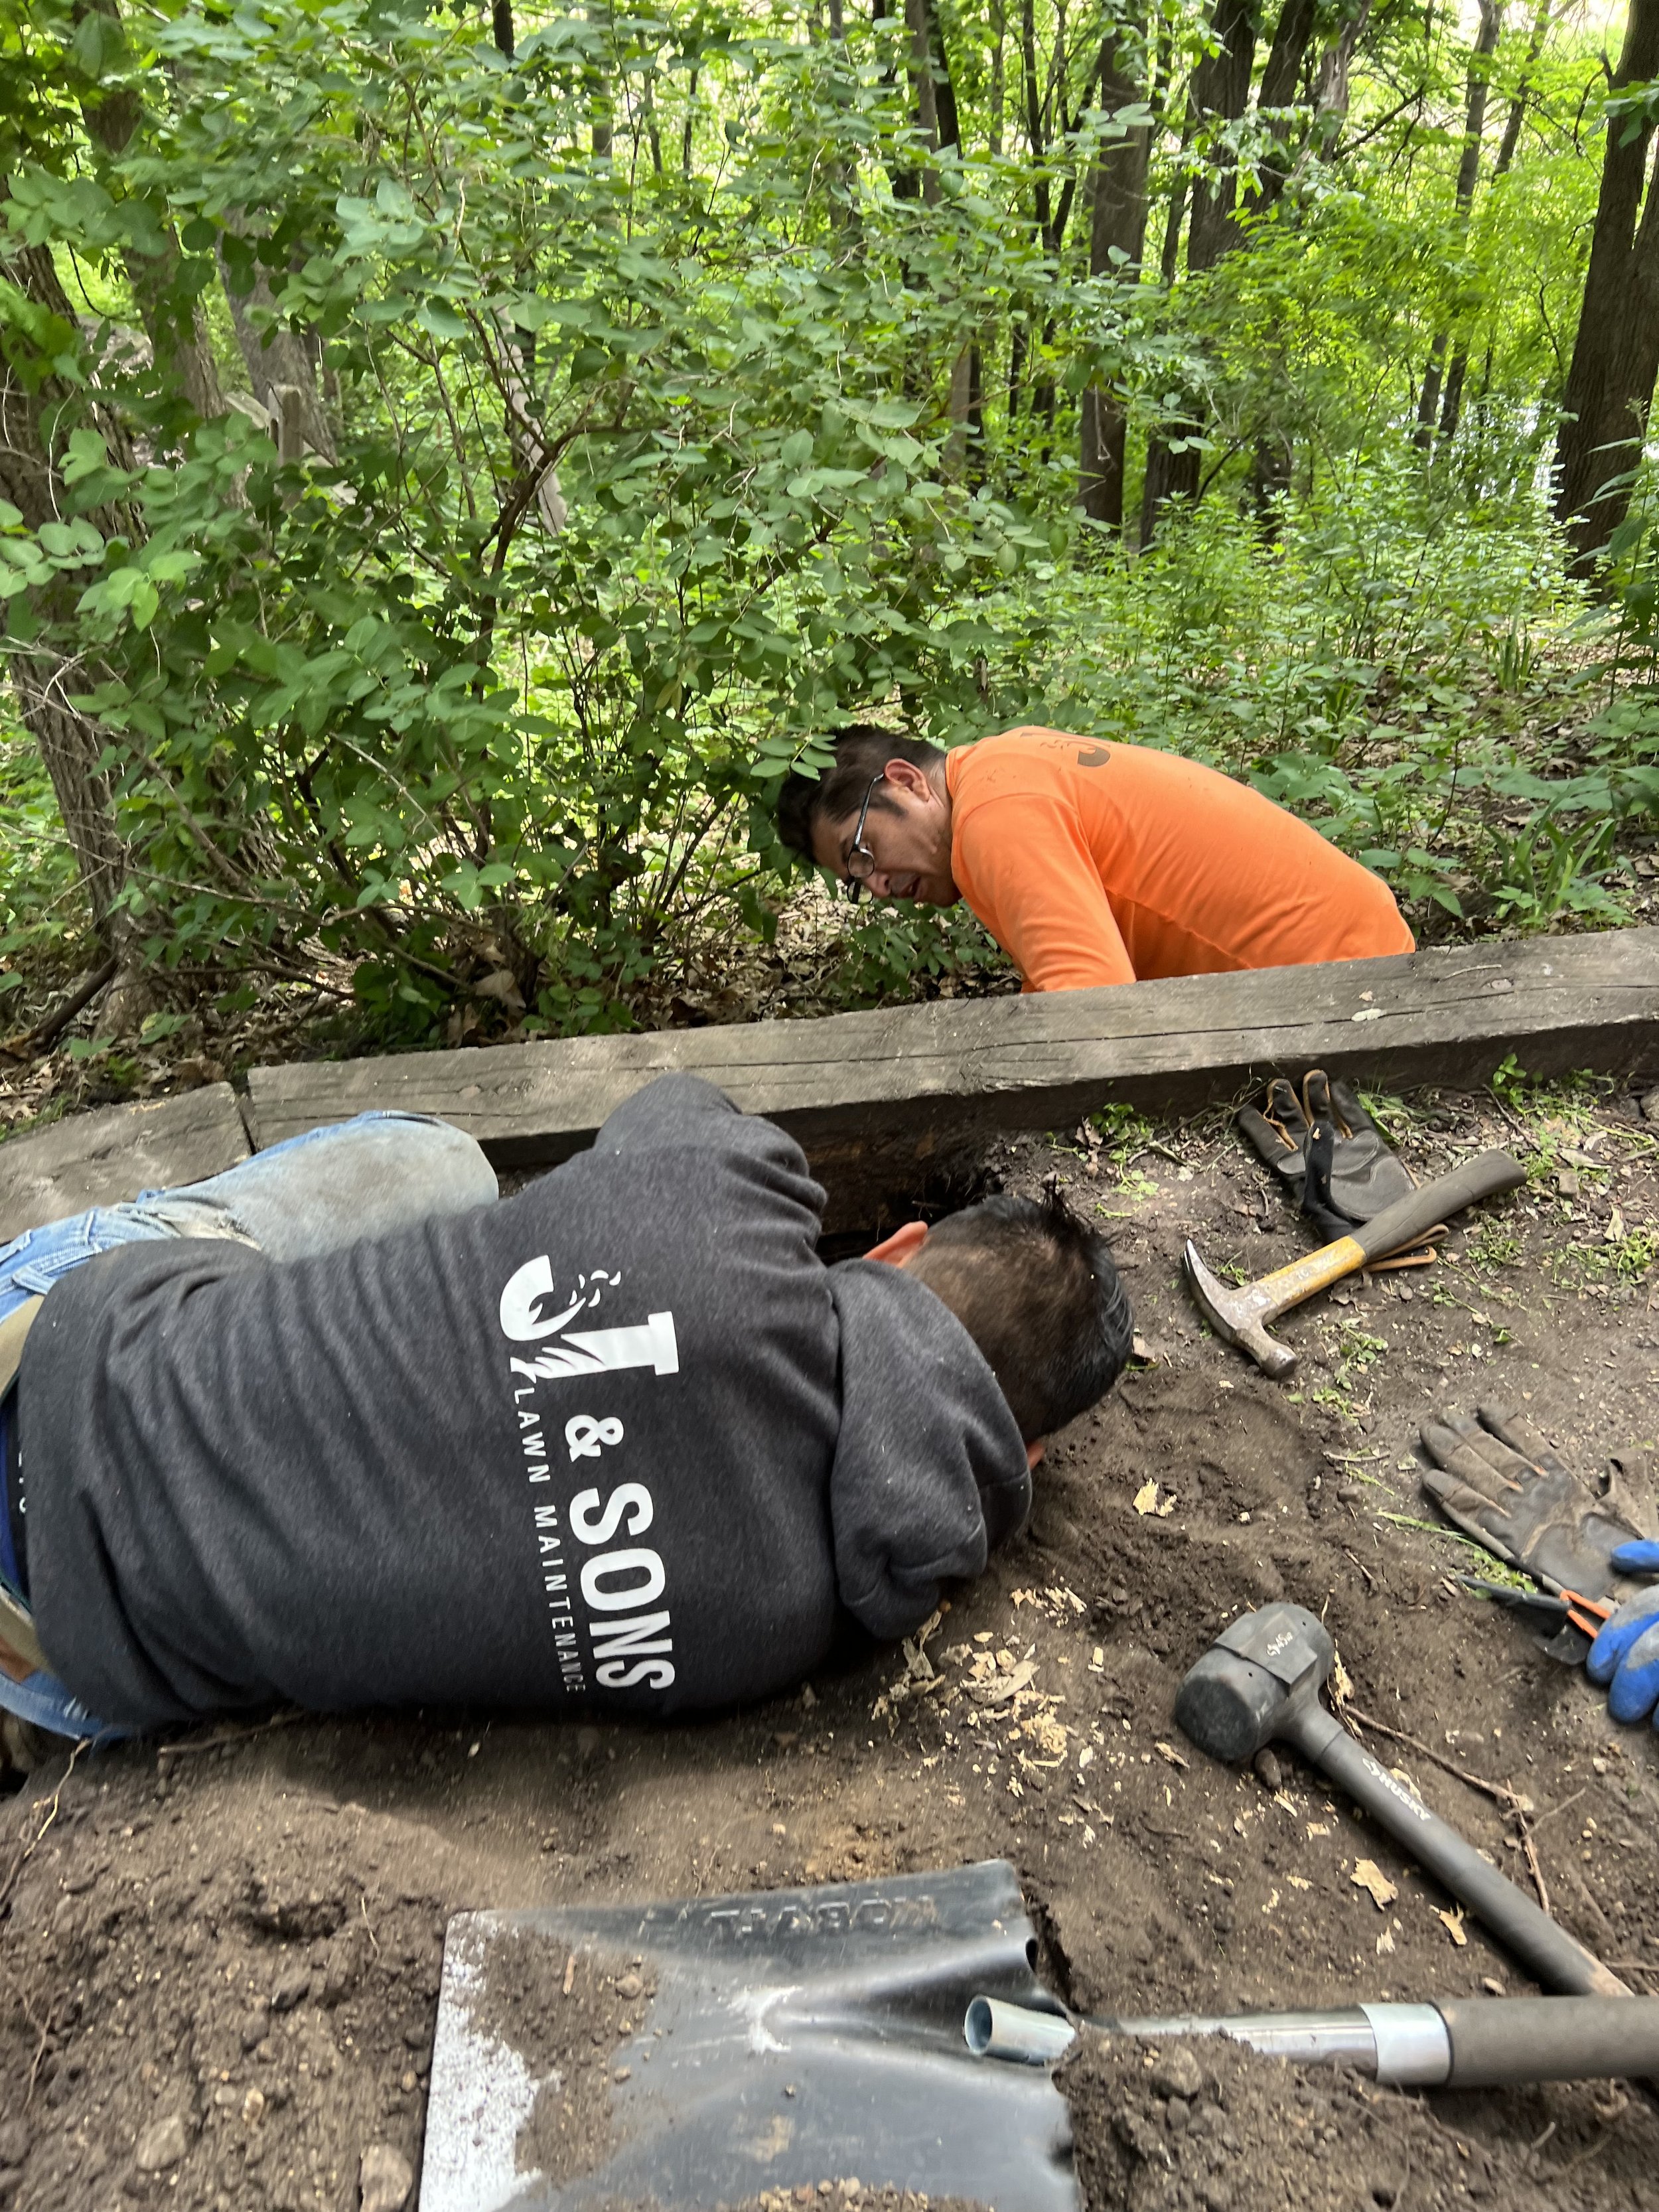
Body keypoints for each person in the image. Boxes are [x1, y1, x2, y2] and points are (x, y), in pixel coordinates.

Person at [0, 1074, 1131, 1739]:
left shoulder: (718, 1202)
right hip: (81, 1670)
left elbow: (675, 1098)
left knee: (437, 1161)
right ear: (1017, 1454)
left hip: (58, 1363)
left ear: (894, 1245)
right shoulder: (803, 1634)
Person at [776, 725, 1414, 994]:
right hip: (1354, 949)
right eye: (856, 882)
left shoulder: (993, 812)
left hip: (1350, 983)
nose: (879, 886)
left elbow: (1095, 1010)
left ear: (906, 782)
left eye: (863, 853)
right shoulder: (1002, 768)